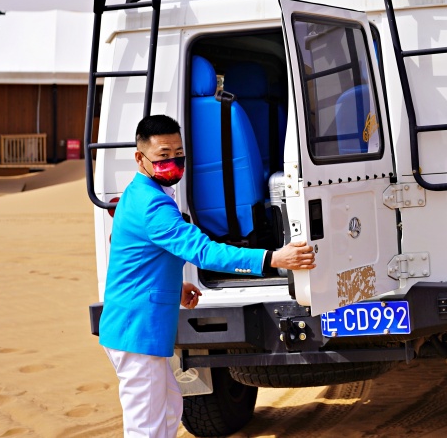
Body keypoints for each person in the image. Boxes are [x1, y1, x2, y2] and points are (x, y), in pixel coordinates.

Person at [98, 114, 316, 438]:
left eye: (178, 153)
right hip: (136, 330)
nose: (173, 162)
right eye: (163, 156)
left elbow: (136, 256)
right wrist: (273, 258)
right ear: (140, 158)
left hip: (139, 326)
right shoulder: (152, 205)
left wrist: (174, 284)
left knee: (170, 407)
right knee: (147, 427)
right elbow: (204, 252)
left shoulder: (142, 191)